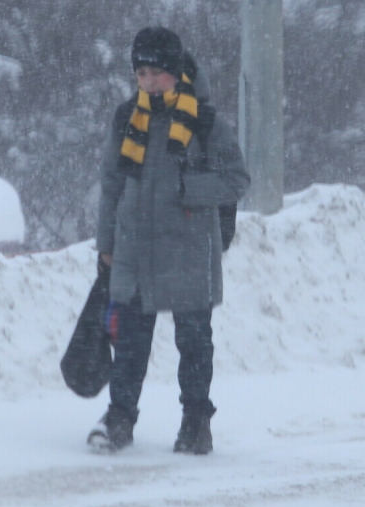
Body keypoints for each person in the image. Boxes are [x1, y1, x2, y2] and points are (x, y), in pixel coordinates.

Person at [90, 27, 251, 454]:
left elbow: (236, 180)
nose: (149, 82)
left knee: (194, 344)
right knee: (129, 343)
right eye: (141, 73)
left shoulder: (204, 121)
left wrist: (187, 189)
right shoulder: (127, 118)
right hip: (135, 249)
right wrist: (106, 245)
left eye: (157, 73)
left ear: (176, 73)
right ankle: (119, 419)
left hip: (188, 248)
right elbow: (111, 185)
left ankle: (196, 424)